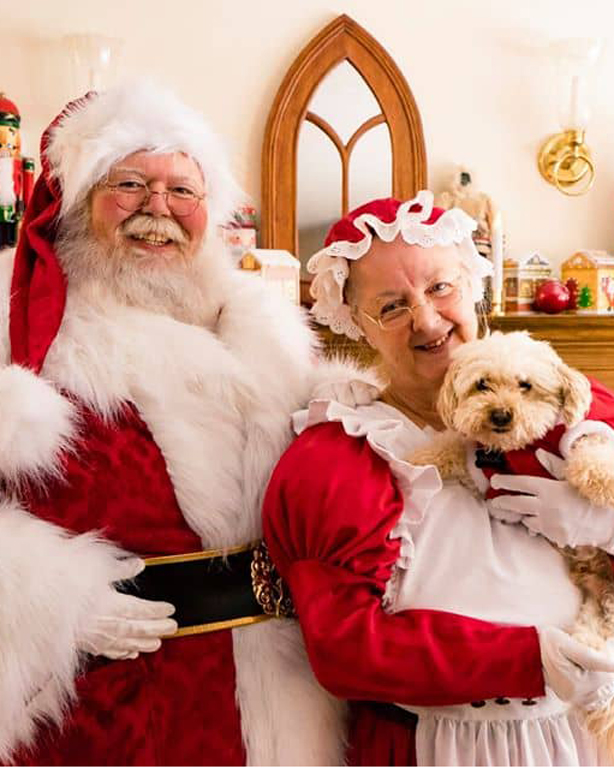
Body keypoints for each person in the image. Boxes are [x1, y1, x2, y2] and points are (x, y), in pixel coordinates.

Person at [0, 81, 380, 765]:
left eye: (182, 190)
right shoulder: (20, 322)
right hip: (109, 700)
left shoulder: (267, 329)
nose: (158, 208)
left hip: (279, 690)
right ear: (78, 203)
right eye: (129, 185)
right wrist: (44, 597)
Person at [262, 192, 614, 766]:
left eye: (440, 288)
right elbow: (345, 649)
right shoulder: (336, 456)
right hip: (441, 745)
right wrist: (529, 658)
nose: (426, 321)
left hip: (585, 735)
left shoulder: (577, 406)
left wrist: (606, 527)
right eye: (391, 307)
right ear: (357, 325)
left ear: (474, 288)